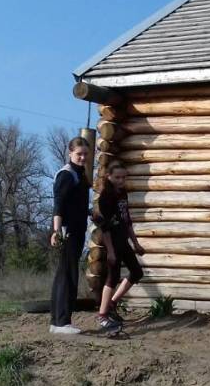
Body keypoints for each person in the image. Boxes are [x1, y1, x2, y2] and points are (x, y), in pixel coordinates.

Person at [93, 161, 145, 333]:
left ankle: (112, 303)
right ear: (108, 176)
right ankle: (102, 314)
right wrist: (111, 251)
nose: (121, 180)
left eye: (124, 177)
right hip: (112, 241)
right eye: (117, 177)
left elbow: (127, 219)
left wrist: (135, 243)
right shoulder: (106, 197)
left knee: (137, 272)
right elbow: (105, 226)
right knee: (112, 277)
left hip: (123, 239)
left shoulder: (122, 193)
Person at [49, 137, 91, 335]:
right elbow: (59, 205)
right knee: (67, 275)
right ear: (70, 153)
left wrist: (90, 213)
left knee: (65, 274)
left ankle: (57, 321)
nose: (82, 157)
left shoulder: (80, 175)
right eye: (78, 154)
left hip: (78, 229)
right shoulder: (66, 175)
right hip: (68, 232)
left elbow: (77, 205)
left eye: (85, 154)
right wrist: (57, 231)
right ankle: (61, 322)